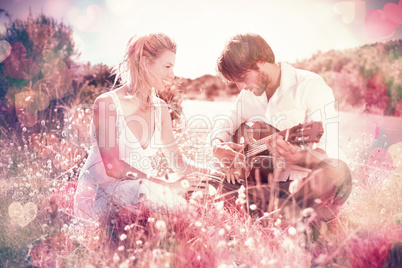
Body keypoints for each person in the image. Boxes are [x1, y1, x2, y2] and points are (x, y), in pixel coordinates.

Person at [209, 33, 352, 226]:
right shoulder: (247, 95)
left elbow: (327, 148)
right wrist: (218, 146)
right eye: (236, 81)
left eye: (242, 78)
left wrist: (297, 158)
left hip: (302, 183)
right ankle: (278, 213)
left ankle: (272, 211)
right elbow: (225, 124)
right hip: (264, 185)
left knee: (337, 172)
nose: (241, 87)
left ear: (261, 61)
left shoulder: (310, 85)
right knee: (212, 180)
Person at [73, 33, 211, 226]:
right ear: (145, 63)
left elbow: (177, 161)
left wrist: (213, 173)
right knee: (156, 197)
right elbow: (113, 167)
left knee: (187, 209)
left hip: (144, 192)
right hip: (101, 197)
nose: (172, 74)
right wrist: (165, 185)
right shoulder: (107, 104)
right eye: (167, 66)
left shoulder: (161, 109)